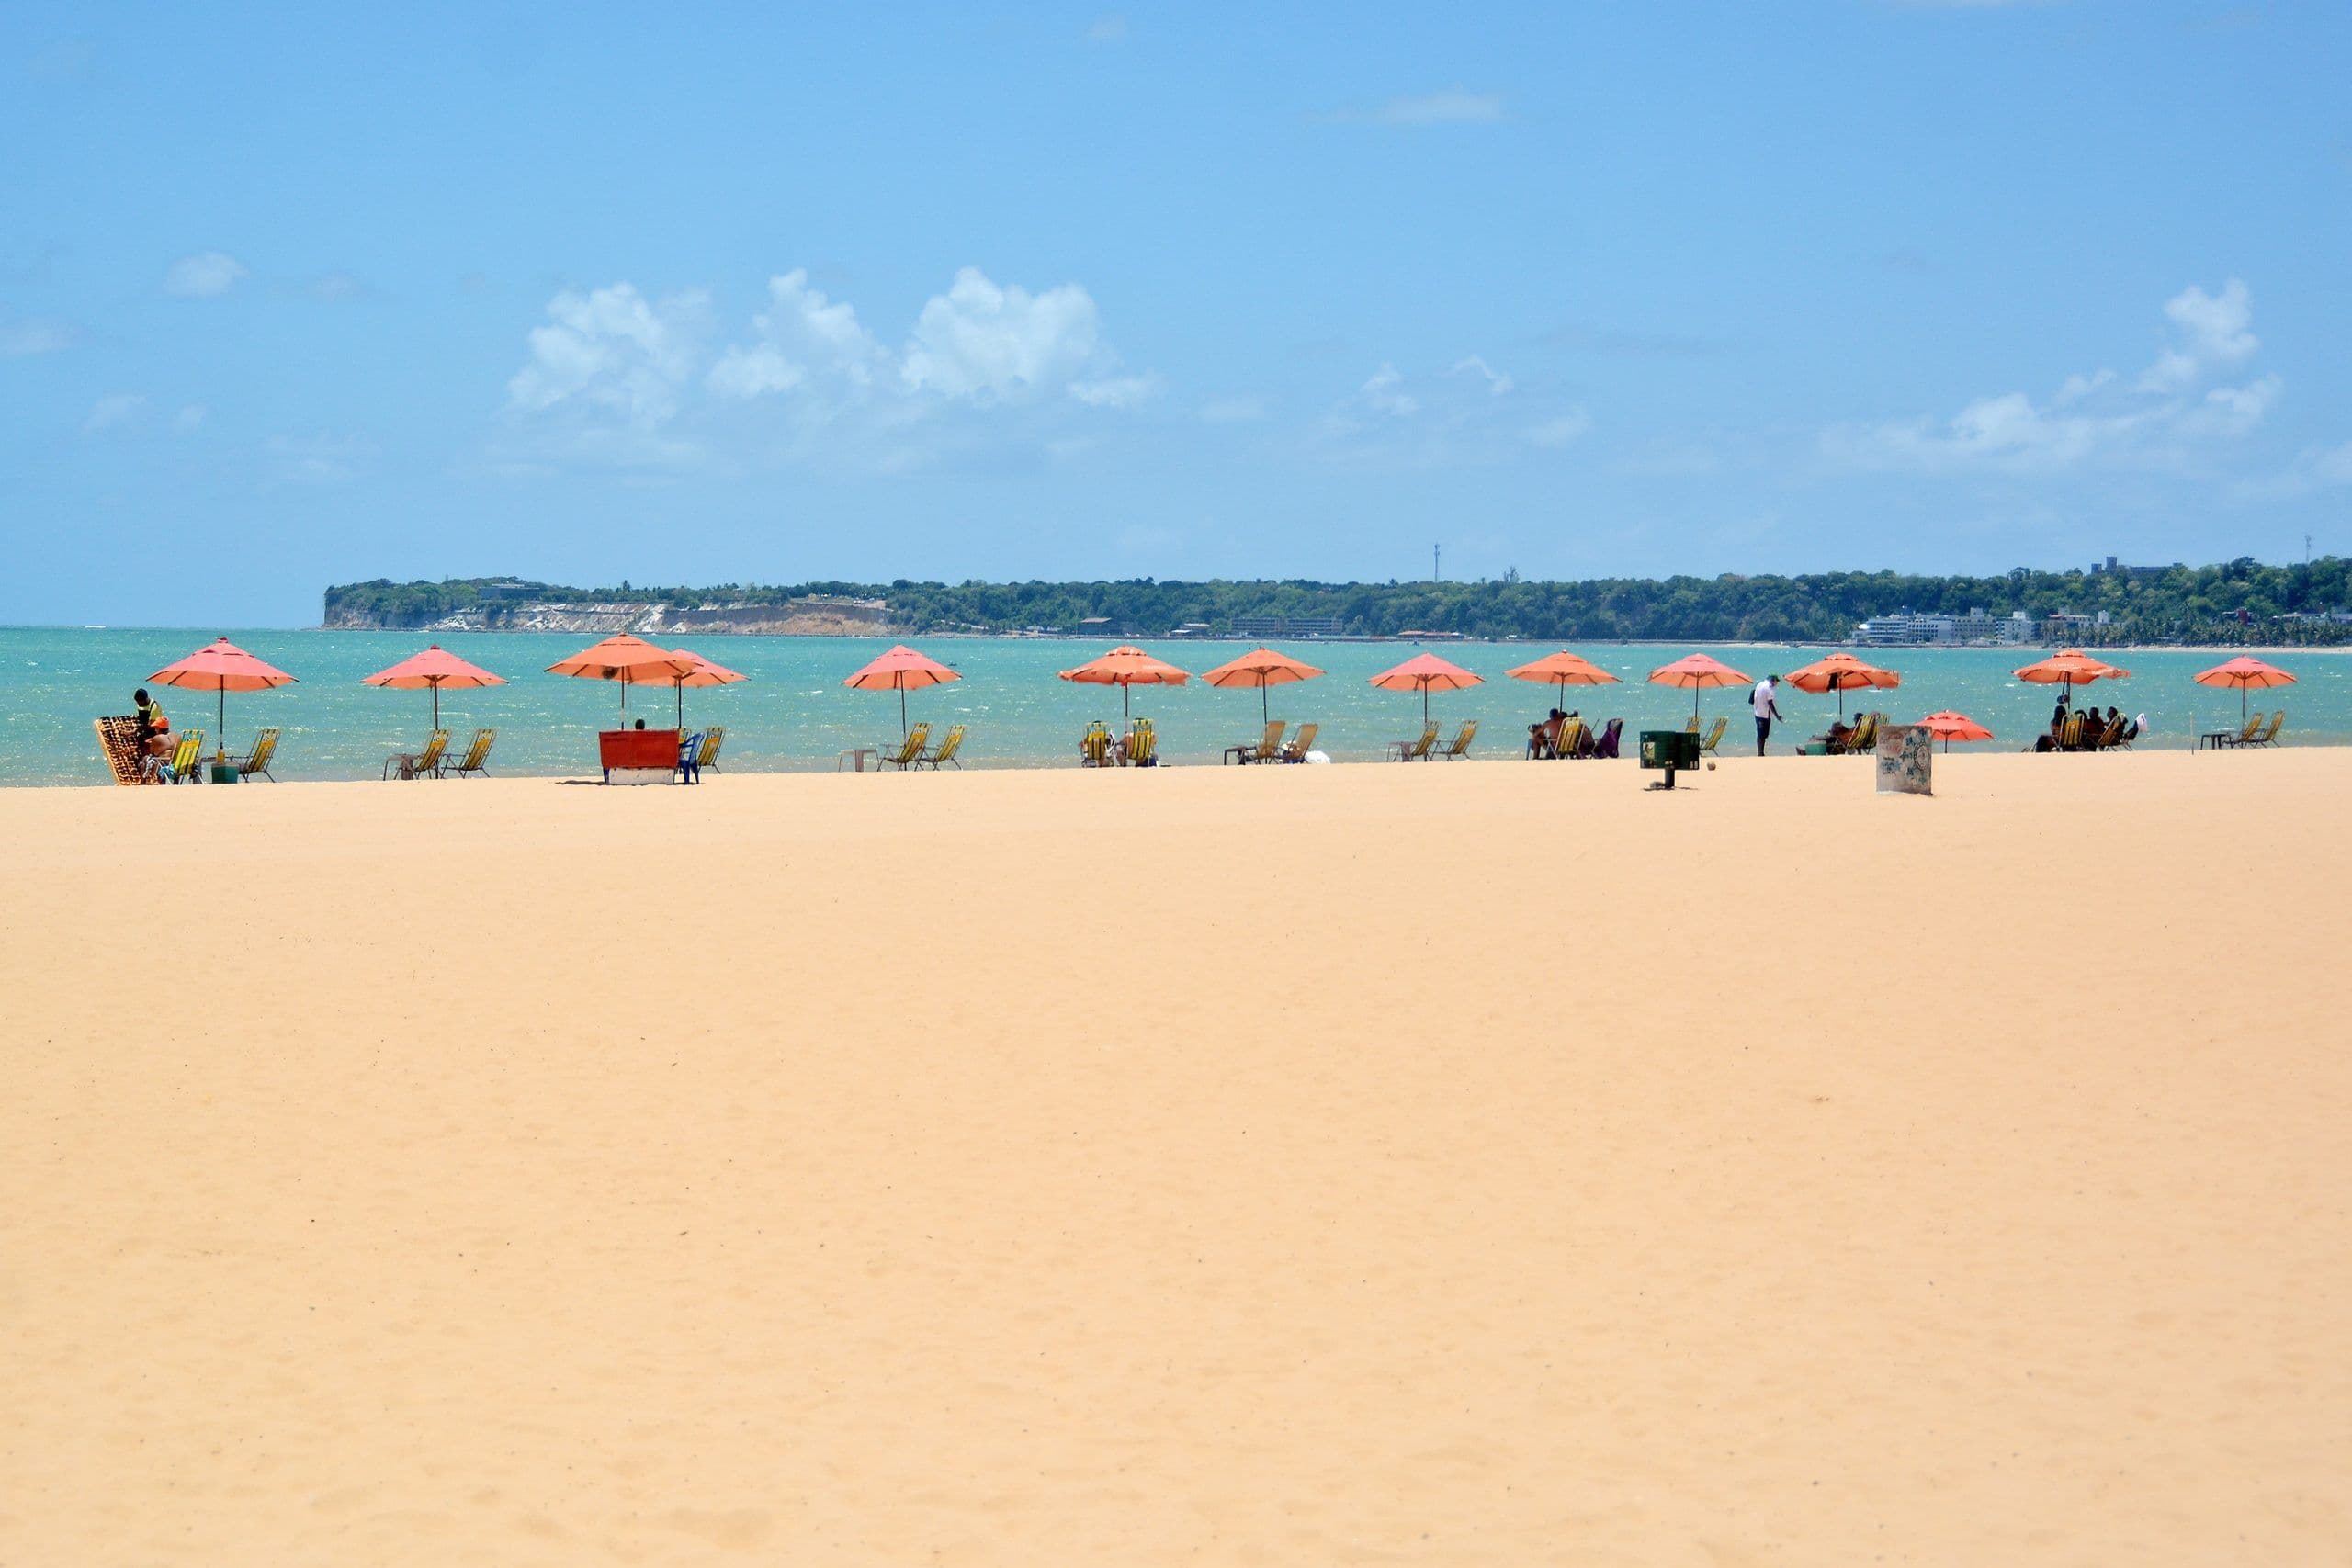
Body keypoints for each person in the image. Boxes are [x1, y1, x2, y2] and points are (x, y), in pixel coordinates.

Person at [1751, 674, 1783, 756]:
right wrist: (1777, 716)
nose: (1776, 684)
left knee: (1763, 734)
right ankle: (1760, 753)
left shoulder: (1759, 684)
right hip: (1762, 713)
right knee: (1762, 735)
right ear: (1773, 680)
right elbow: (1770, 703)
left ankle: (1761, 753)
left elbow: (1754, 696)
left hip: (1758, 712)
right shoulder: (1769, 688)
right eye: (1776, 682)